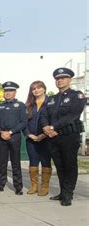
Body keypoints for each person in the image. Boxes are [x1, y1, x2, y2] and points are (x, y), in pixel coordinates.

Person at [41, 68, 86, 206]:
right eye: (58, 78)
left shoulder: (77, 96)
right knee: (59, 166)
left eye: (63, 78)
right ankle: (62, 192)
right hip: (53, 138)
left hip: (69, 136)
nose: (60, 80)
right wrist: (45, 127)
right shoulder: (51, 99)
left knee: (69, 165)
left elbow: (73, 115)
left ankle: (68, 194)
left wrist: (54, 128)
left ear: (70, 80)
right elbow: (44, 115)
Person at [0, 81, 28, 195]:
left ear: (15, 92)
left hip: (14, 137)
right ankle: (0, 184)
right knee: (1, 163)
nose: (8, 93)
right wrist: (1, 132)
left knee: (15, 163)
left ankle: (18, 186)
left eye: (10, 91)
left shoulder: (21, 106)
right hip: (1, 137)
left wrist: (11, 132)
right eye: (6, 91)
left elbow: (23, 122)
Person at [24, 81, 51, 196]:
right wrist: (29, 134)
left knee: (46, 162)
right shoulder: (28, 105)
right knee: (33, 162)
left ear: (44, 89)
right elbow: (23, 122)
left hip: (46, 138)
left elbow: (54, 120)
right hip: (31, 138)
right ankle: (34, 186)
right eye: (33, 88)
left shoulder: (51, 102)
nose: (36, 90)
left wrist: (43, 135)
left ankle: (44, 187)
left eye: (39, 88)